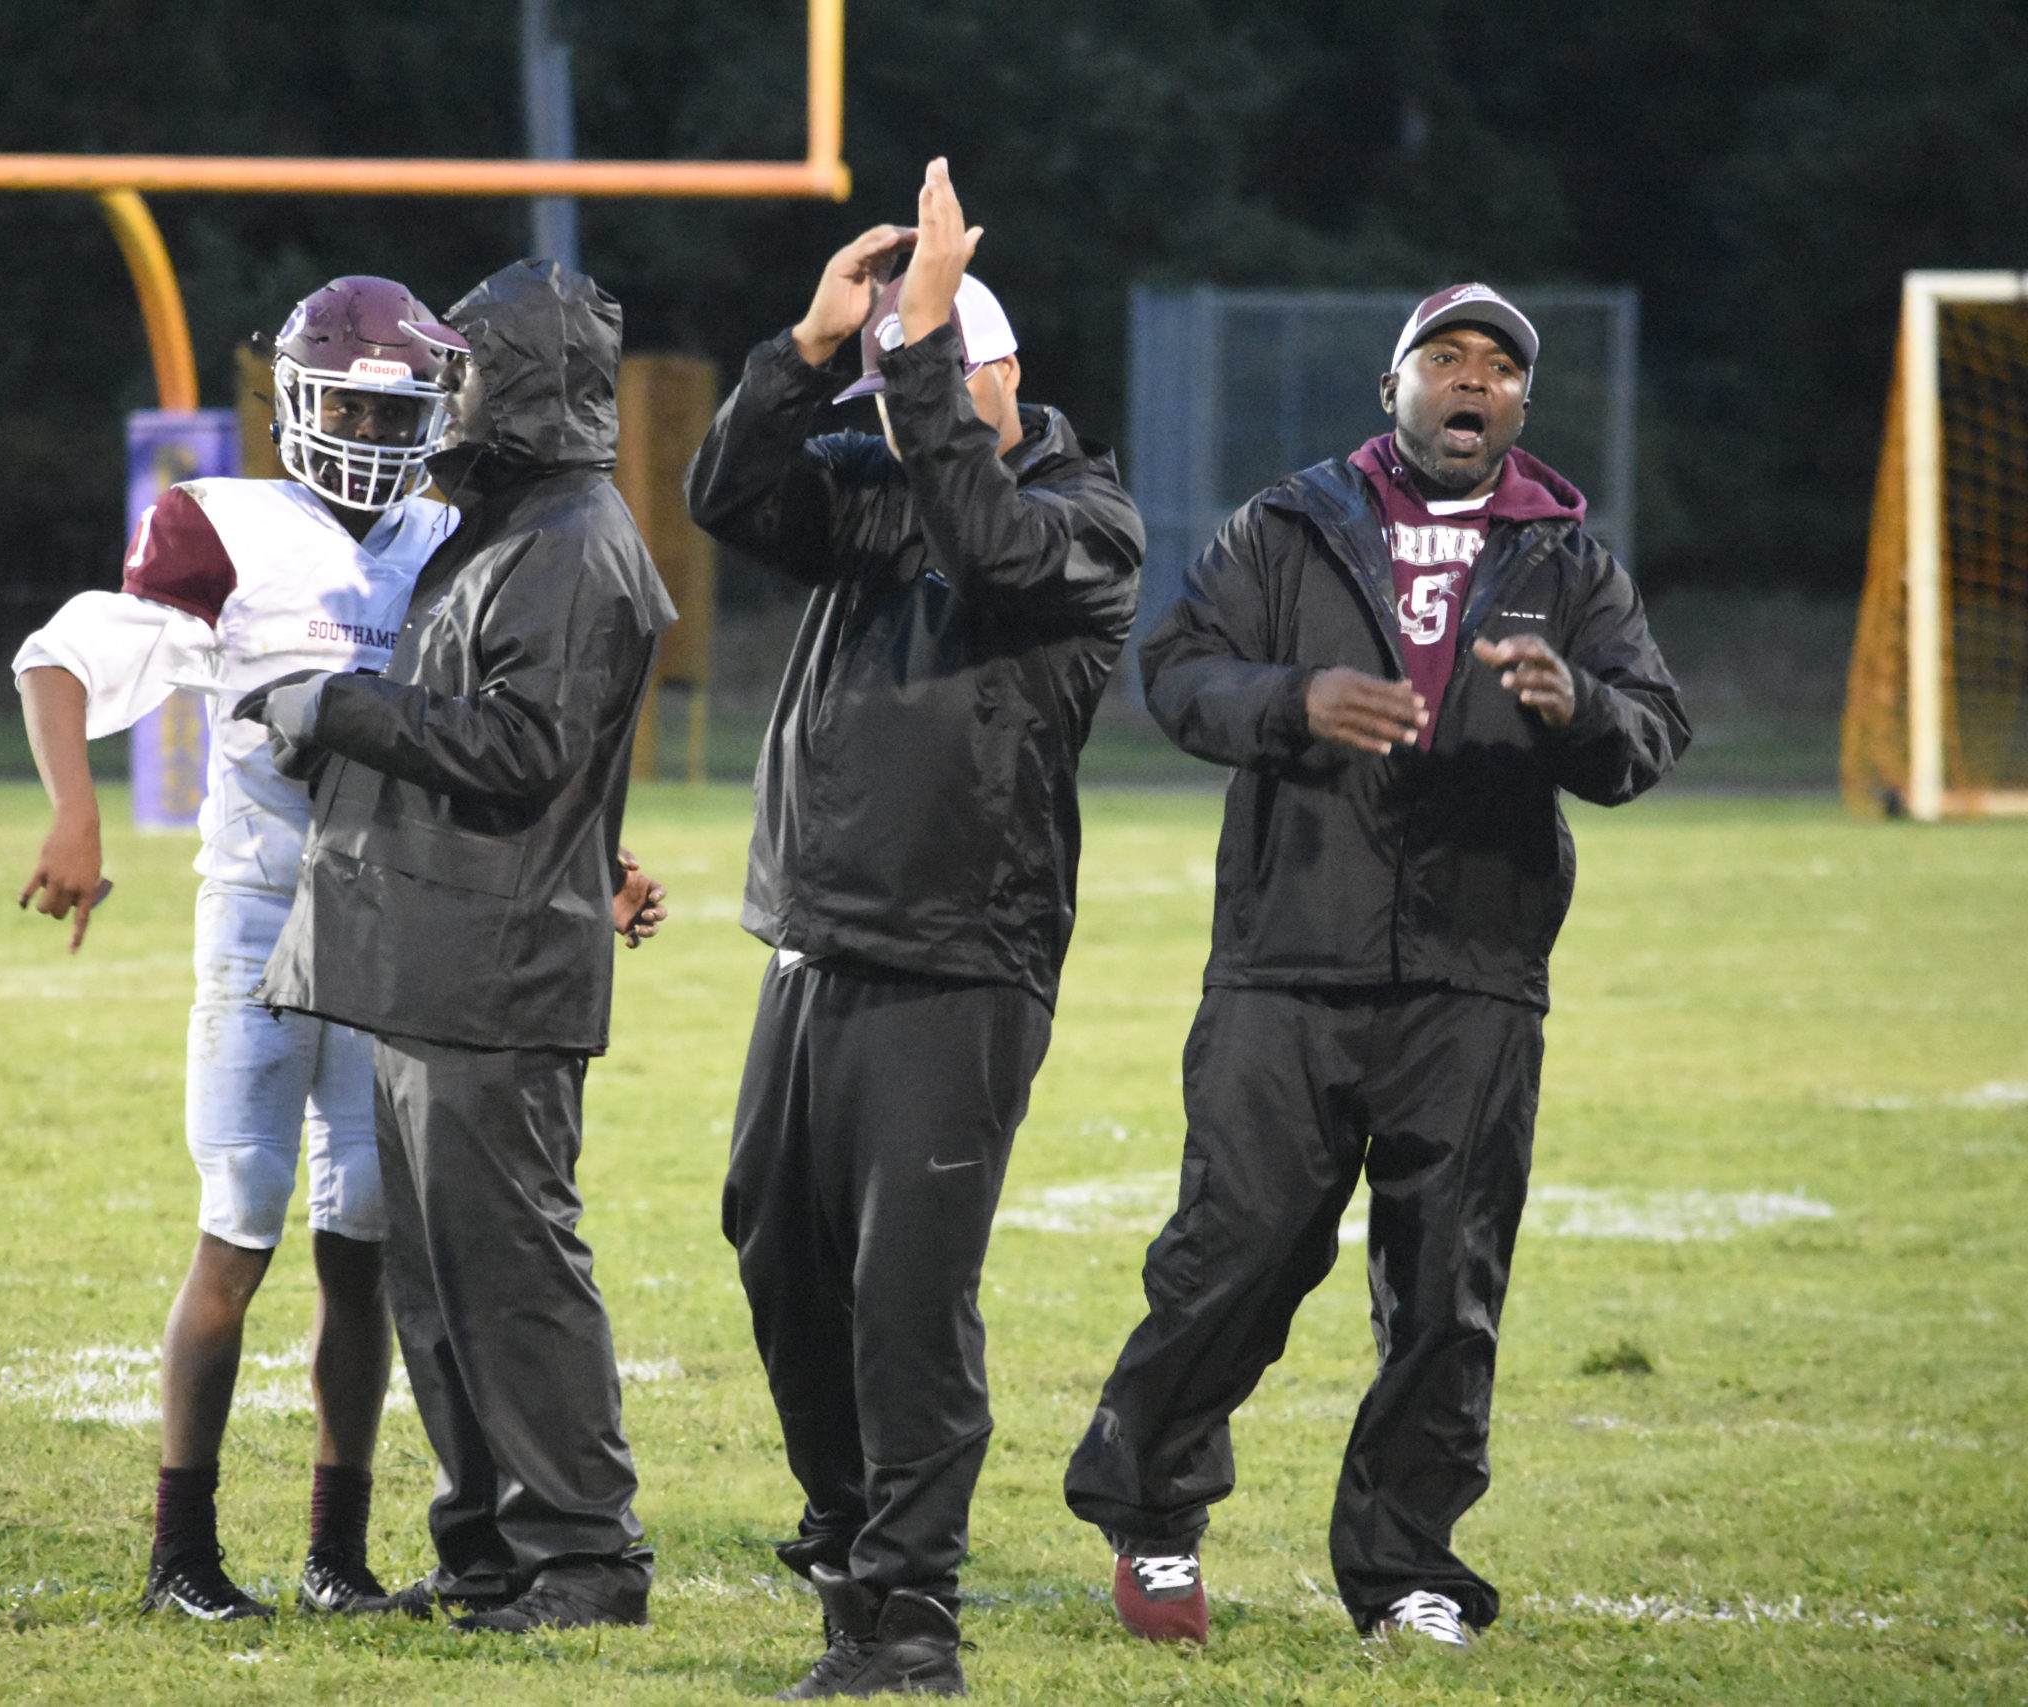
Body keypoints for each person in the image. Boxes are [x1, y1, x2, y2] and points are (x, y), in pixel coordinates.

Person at [16, 275, 666, 1624]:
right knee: (241, 1219)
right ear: (296, 401)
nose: (374, 427)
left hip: (398, 921)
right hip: (261, 915)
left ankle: (338, 1549)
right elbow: (57, 657)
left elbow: (501, 726)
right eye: (350, 399)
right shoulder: (223, 521)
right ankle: (182, 1552)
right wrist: (75, 814)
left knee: (364, 1242)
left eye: (396, 402)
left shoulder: (451, 527)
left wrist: (592, 862)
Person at [1061, 283, 1688, 1650]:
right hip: (1287, 958)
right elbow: (1175, 671)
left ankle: (1407, 1568)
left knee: (1446, 1290)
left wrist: (1578, 708)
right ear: (1393, 388)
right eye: (1446, 360)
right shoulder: (1287, 524)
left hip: (1475, 970)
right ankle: (1155, 1515)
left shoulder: (1569, 561)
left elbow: (1651, 730)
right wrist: (1292, 702)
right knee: (1235, 1255)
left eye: (1499, 370)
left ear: (1521, 406)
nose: (1474, 384)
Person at [685, 158, 1142, 1698]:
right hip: (818, 941)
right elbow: (729, 494)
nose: (889, 420)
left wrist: (923, 345)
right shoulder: (888, 476)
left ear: (993, 368)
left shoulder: (1090, 519)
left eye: (924, 378)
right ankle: (845, 1523)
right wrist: (813, 350)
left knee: (906, 1299)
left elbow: (988, 534)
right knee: (778, 1256)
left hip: (962, 960)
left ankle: (908, 1624)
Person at [239, 258, 675, 1634]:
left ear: (527, 385)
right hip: (441, 960)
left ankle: (584, 1562)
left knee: (513, 1283)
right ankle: (491, 1553)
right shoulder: (510, 526)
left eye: (467, 368)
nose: (443, 395)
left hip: (497, 971)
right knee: (439, 1287)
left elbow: (523, 752)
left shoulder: (570, 539)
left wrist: (336, 710)